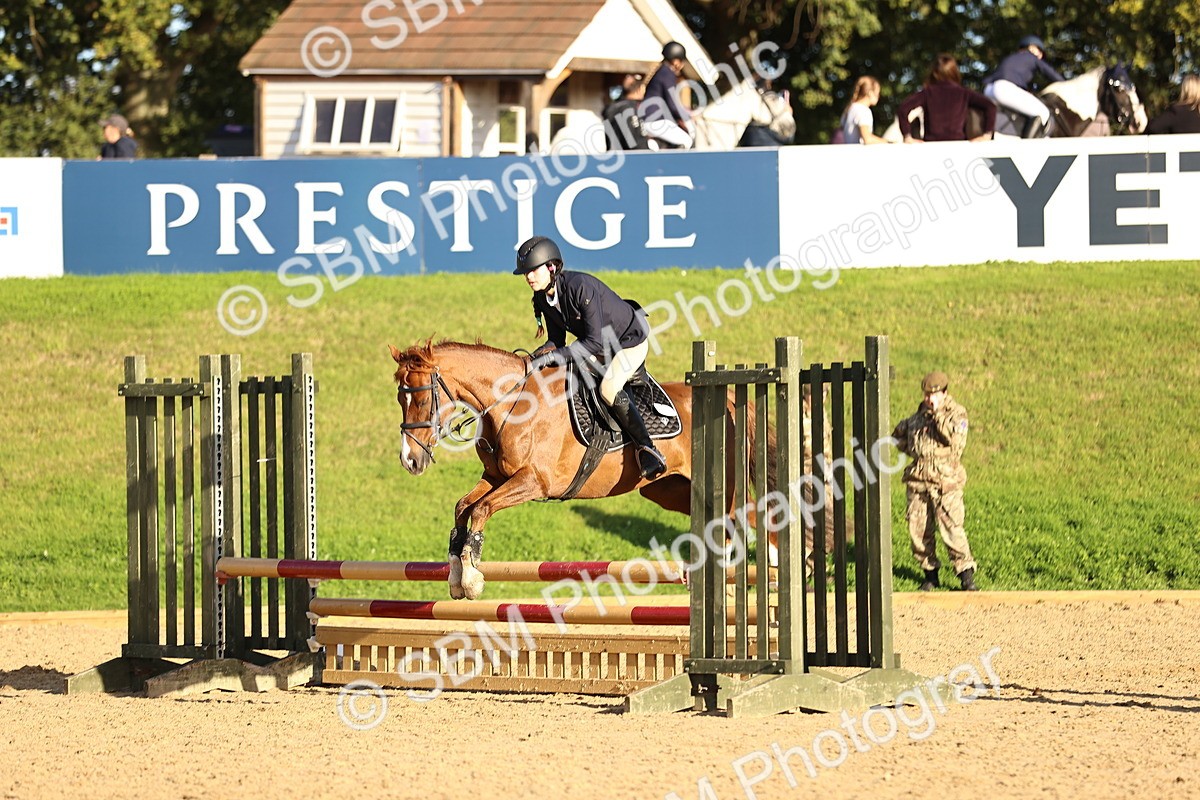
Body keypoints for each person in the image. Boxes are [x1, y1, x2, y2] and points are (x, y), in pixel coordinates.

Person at [516, 235, 667, 480]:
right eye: (525, 273)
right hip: (600, 346)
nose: (529, 277)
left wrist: (555, 356)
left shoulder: (580, 287)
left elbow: (593, 342)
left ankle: (647, 448)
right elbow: (558, 341)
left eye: (533, 270)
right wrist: (536, 358)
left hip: (628, 341)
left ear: (551, 267)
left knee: (608, 388)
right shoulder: (543, 298)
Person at [891, 371, 978, 592]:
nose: (930, 399)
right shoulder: (917, 417)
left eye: (935, 394)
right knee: (919, 531)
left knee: (952, 527)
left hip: (945, 482)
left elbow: (955, 443)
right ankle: (930, 575)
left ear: (945, 393)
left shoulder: (957, 414)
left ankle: (966, 577)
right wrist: (910, 446)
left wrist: (938, 417)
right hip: (919, 481)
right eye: (927, 395)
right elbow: (897, 436)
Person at [898, 54, 996, 142]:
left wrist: (907, 136)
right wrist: (987, 135)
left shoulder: (928, 93)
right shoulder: (964, 93)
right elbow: (990, 106)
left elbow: (903, 109)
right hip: (958, 144)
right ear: (955, 72)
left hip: (932, 145)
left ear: (934, 73)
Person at [983, 35, 1065, 138]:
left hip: (989, 89)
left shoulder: (1011, 58)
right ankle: (1026, 151)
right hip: (1004, 89)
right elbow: (1050, 73)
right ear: (1033, 49)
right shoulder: (1032, 57)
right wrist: (1066, 84)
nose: (1040, 56)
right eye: (1040, 52)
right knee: (1043, 113)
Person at [640, 41, 693, 149]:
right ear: (675, 61)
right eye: (681, 61)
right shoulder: (668, 73)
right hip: (655, 121)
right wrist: (687, 118)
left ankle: (654, 146)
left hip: (649, 120)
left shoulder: (661, 71)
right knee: (687, 140)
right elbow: (672, 104)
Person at [602, 77, 654, 150]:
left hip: (613, 155)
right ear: (640, 89)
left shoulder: (612, 107)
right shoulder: (629, 109)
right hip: (631, 157)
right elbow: (633, 141)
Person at [839, 76, 889, 144]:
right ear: (870, 93)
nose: (879, 96)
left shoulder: (850, 108)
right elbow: (867, 139)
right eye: (877, 93)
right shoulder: (863, 110)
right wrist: (887, 142)